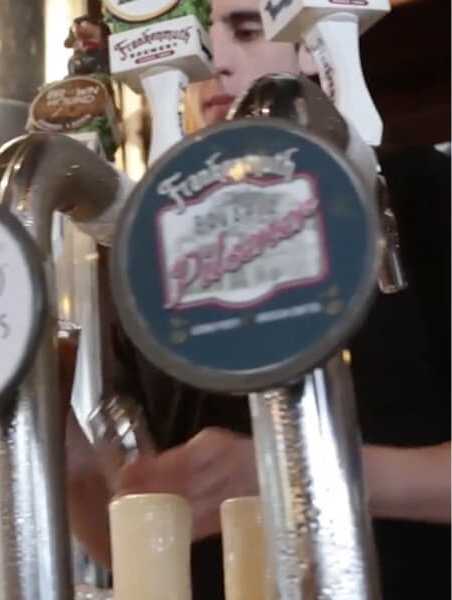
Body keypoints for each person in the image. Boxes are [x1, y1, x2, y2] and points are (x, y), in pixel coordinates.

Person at [64, 0, 451, 598]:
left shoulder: (413, 189)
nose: (216, 62)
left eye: (245, 30)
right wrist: (64, 455)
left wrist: (286, 471)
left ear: (302, 39)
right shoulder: (142, 247)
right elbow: (128, 536)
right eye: (195, 37)